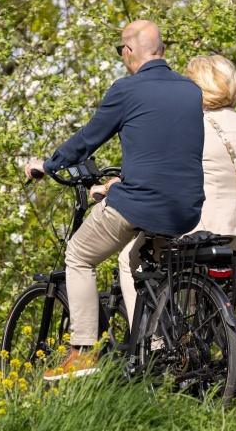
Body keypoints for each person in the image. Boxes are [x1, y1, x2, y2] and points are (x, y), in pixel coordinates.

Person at [23, 20, 205, 379]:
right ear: (162, 50)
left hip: (141, 203)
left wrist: (48, 164)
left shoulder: (127, 89)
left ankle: (82, 351)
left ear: (129, 50)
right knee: (138, 264)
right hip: (186, 208)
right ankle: (156, 346)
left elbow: (87, 139)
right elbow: (167, 148)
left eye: (121, 50)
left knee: (78, 254)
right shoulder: (191, 91)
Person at [106, 53, 236, 322]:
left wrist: (116, 184)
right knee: (195, 298)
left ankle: (151, 342)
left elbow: (161, 171)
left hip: (199, 233)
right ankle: (212, 337)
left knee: (128, 259)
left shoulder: (189, 123)